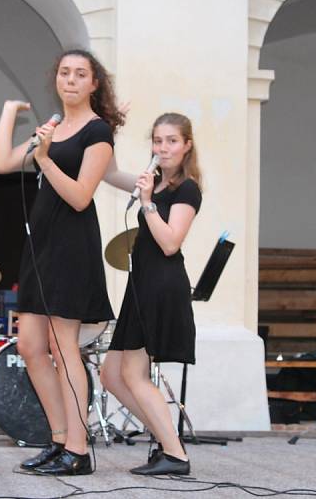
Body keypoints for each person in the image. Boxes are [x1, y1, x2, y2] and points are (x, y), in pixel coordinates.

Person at [0, 49, 123, 476]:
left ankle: (79, 452)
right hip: (40, 246)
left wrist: (45, 158)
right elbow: (0, 164)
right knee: (30, 346)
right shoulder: (53, 127)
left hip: (72, 246)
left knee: (65, 350)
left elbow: (82, 196)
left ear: (93, 83)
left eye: (80, 74)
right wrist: (10, 113)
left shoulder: (98, 132)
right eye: (64, 73)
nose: (70, 80)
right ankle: (60, 439)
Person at [101, 112, 202, 476]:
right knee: (111, 375)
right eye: (157, 141)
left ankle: (175, 455)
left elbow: (171, 242)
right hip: (140, 285)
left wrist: (146, 202)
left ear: (187, 144)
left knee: (133, 373)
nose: (163, 148)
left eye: (172, 140)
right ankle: (164, 438)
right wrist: (105, 128)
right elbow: (109, 173)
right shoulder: (153, 181)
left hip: (161, 284)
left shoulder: (186, 189)